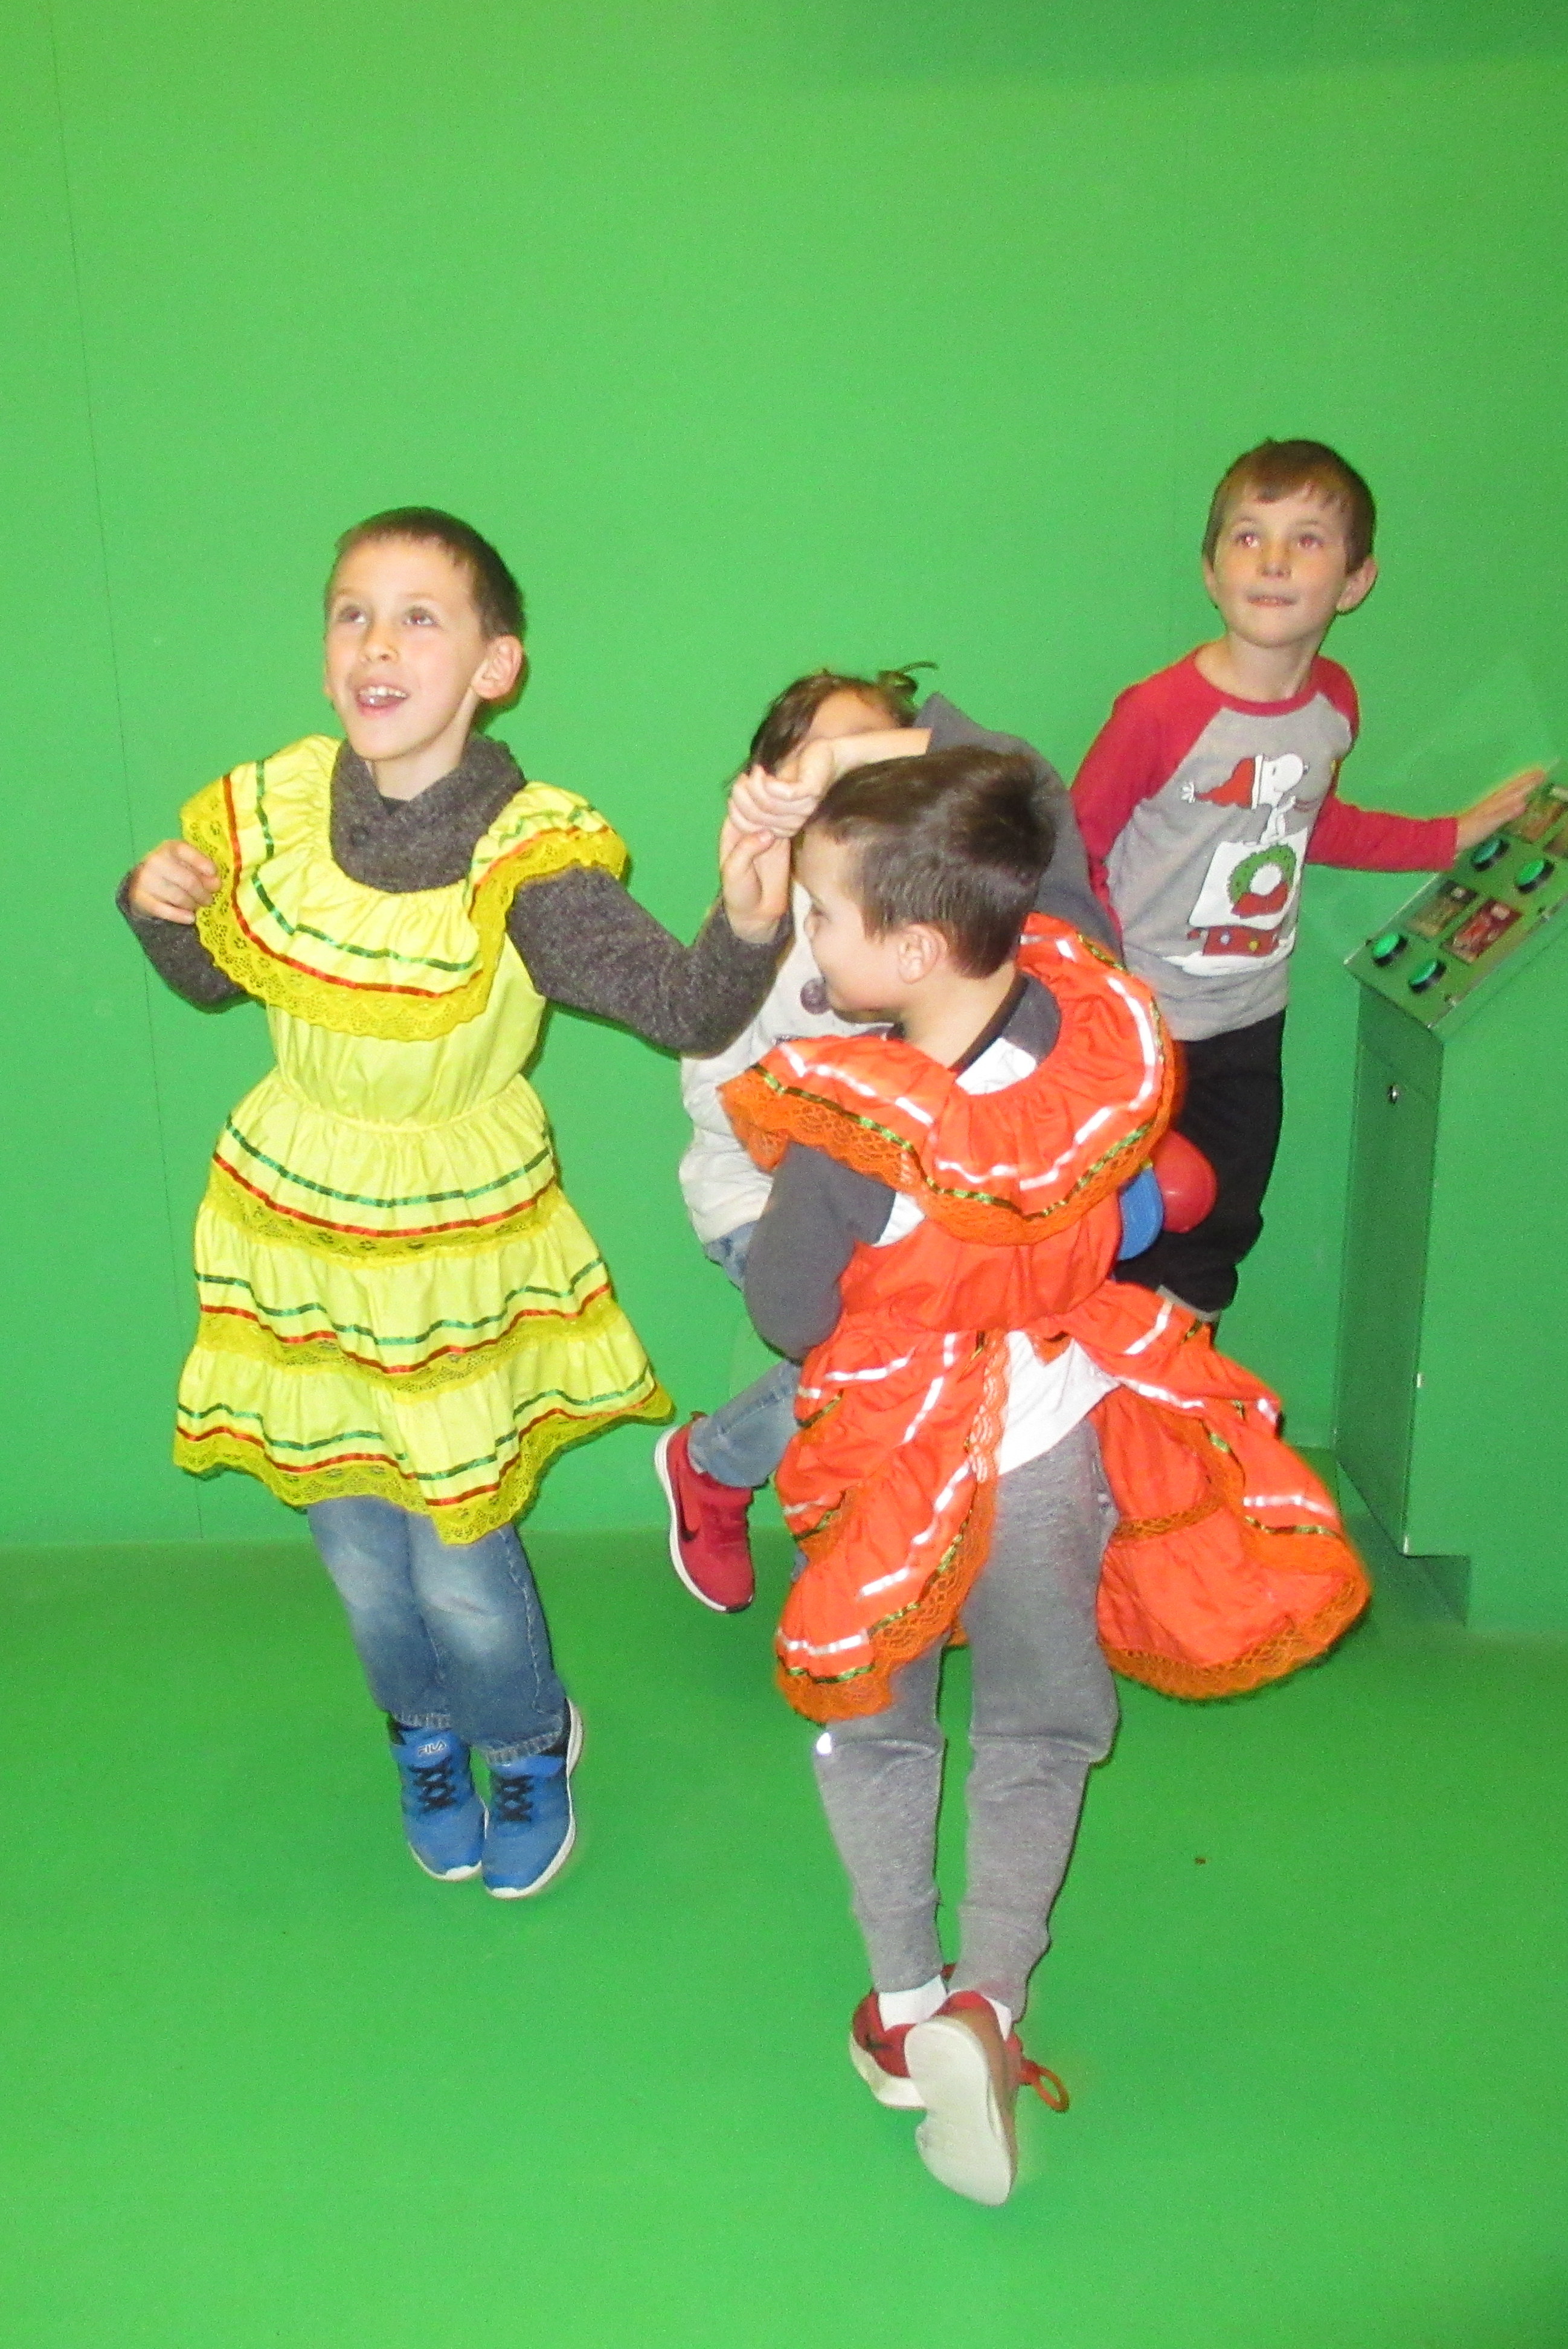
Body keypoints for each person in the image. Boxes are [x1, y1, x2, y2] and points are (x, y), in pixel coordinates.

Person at [719, 747, 1368, 2205]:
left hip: (897, 1467)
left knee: (880, 1725)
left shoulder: (851, 1123)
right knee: (1039, 1721)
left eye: (821, 918)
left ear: (909, 950)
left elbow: (787, 1312)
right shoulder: (1082, 1032)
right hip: (1049, 1443)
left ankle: (902, 2006)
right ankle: (990, 2003)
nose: (808, 942)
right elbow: (1049, 856)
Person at [118, 507, 789, 1899]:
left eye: (420, 617)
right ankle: (421, 1733)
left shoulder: (524, 856)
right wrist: (158, 904)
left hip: (450, 1238)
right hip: (299, 1220)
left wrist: (744, 916)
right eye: (352, 612)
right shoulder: (279, 810)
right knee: (356, 1547)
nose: (377, 642)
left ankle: (526, 1740)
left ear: (495, 666)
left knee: (458, 1556)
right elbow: (210, 975)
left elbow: (682, 1006)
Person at [656, 667, 1113, 1614]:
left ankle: (909, 1553)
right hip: (766, 1195)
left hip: (919, 1200)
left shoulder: (946, 917)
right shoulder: (761, 920)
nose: (841, 784)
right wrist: (843, 1136)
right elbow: (715, 1091)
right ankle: (729, 1478)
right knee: (864, 1356)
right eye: (815, 769)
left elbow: (1022, 783)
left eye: (868, 763)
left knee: (951, 1348)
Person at [1070, 437, 1543, 1321]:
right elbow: (1076, 850)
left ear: (1356, 581)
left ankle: (1184, 1383)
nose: (1275, 560)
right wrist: (1104, 991)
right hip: (1141, 1023)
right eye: (1248, 537)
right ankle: (1095, 1387)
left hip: (1250, 1018)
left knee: (1223, 1221)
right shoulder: (1159, 713)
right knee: (1118, 1228)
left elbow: (1311, 824)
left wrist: (1454, 834)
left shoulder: (1333, 705)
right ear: (1211, 571)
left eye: (1308, 540)